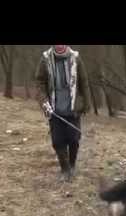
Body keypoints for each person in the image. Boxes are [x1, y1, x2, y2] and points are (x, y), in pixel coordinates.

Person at [35, 45, 91, 182]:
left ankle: (72, 165)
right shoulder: (45, 59)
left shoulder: (76, 58)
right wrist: (44, 102)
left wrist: (86, 103)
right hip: (54, 108)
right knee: (58, 141)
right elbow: (39, 82)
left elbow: (84, 82)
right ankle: (65, 169)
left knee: (74, 139)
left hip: (73, 107)